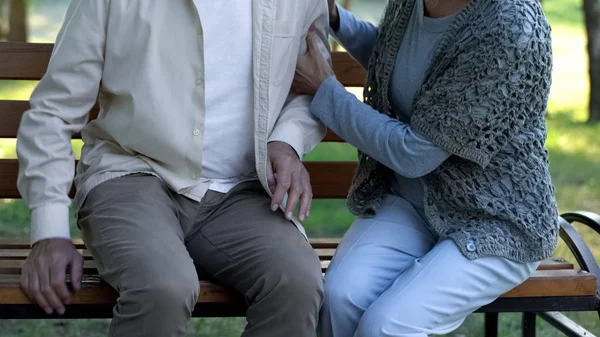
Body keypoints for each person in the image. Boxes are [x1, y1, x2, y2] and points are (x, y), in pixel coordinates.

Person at [16, 1, 331, 336]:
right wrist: (49, 231)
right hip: (132, 174)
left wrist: (287, 140)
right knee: (163, 286)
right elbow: (53, 112)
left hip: (240, 191)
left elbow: (313, 85)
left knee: (297, 281)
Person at [291, 0, 559, 336]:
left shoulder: (511, 27)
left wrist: (324, 91)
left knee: (386, 326)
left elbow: (414, 154)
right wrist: (336, 19)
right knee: (340, 297)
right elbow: (397, 58)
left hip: (494, 219)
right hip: (413, 202)